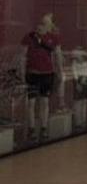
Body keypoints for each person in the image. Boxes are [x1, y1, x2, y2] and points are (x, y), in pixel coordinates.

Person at [20, 14, 63, 143]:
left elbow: (58, 55)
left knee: (44, 102)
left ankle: (43, 128)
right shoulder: (29, 37)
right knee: (31, 103)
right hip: (32, 74)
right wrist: (22, 74)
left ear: (49, 25)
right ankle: (32, 129)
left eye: (46, 23)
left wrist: (59, 72)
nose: (42, 25)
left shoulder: (53, 38)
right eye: (41, 23)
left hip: (47, 74)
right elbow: (23, 56)